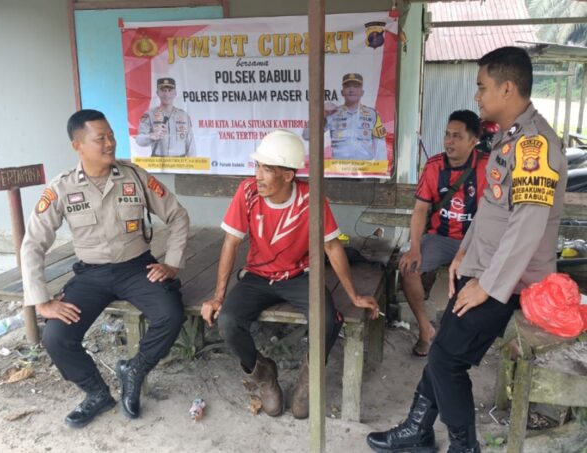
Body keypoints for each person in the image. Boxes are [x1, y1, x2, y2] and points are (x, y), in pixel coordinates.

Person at [366, 46, 567, 453]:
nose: (477, 96)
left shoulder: (534, 146)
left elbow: (526, 228)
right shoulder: (508, 139)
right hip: (485, 267)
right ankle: (419, 429)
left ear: (506, 88)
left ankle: (462, 446)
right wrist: (464, 253)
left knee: (445, 359)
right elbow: (491, 210)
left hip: (510, 282)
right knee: (444, 348)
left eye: (482, 87)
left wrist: (488, 285)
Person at [20, 109, 190, 428]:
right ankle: (97, 393)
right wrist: (41, 300)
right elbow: (32, 244)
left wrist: (172, 262)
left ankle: (135, 369)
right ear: (78, 146)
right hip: (91, 275)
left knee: (170, 313)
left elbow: (178, 216)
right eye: (101, 138)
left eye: (111, 136)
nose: (110, 143)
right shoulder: (62, 188)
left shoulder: (135, 176)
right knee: (56, 337)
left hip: (137, 268)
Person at [200, 129, 380, 419]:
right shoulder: (247, 192)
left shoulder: (310, 198)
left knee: (327, 321)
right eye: (257, 166)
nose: (258, 175)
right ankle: (262, 374)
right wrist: (218, 297)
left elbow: (332, 246)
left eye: (267, 169)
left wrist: (354, 295)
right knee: (229, 322)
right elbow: (231, 242)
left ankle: (308, 379)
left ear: (288, 175)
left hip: (300, 276)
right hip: (257, 276)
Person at [399, 110, 489, 357]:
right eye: (447, 135)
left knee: (483, 282)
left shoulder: (487, 167)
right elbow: (420, 209)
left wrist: (470, 249)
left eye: (457, 136)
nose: (449, 141)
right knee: (408, 268)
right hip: (440, 238)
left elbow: (493, 215)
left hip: (476, 241)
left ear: (473, 141)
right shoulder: (434, 166)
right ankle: (425, 330)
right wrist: (415, 247)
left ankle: (462, 339)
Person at [302, 73, 387, 160]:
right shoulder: (332, 113)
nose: (351, 90)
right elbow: (307, 135)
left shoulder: (372, 114)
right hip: (338, 167)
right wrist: (321, 114)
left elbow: (380, 145)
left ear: (362, 92)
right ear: (342, 92)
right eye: (347, 86)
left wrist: (381, 167)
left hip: (365, 167)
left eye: (356, 86)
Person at [135, 77, 196, 157]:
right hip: (158, 161)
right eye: (163, 90)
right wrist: (152, 136)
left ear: (175, 93)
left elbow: (191, 144)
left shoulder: (184, 116)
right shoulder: (149, 115)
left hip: (180, 161)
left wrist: (193, 163)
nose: (166, 94)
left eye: (170, 90)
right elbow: (139, 140)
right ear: (157, 92)